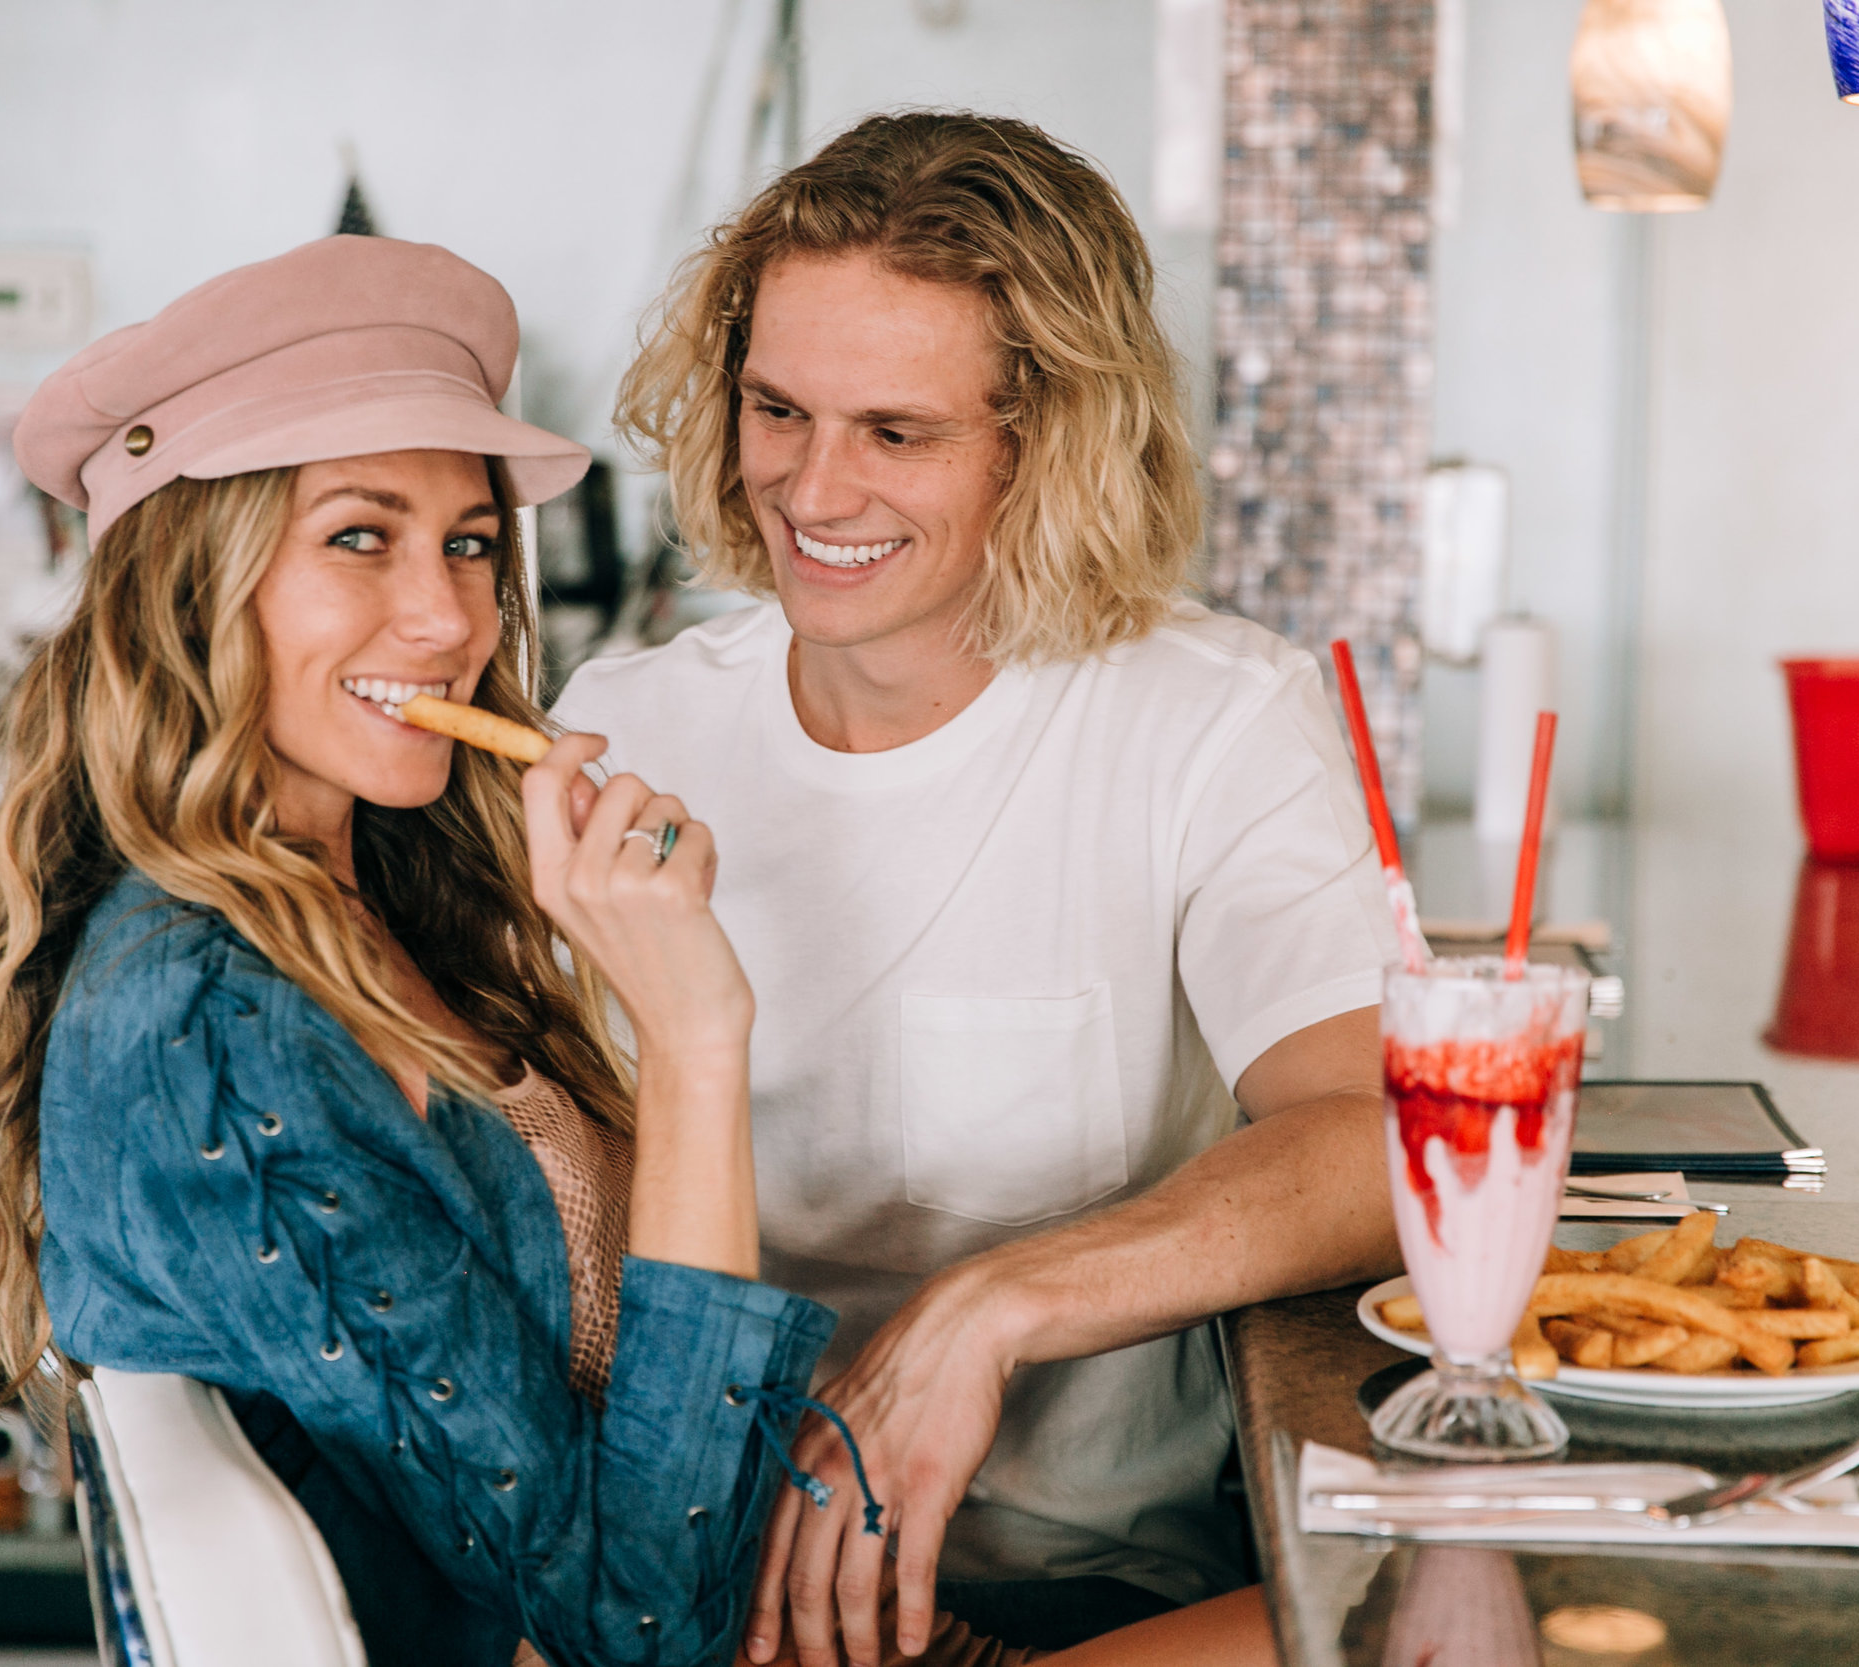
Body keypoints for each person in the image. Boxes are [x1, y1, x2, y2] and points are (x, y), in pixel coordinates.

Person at [0, 235, 1278, 1667]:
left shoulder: (385, 908)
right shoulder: (213, 1028)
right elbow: (632, 1635)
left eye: (468, 543)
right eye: (360, 536)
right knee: (1417, 1613)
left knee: (1403, 1583)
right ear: (191, 582)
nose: (449, 618)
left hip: (827, 1626)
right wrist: (699, 1036)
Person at [559, 112, 1402, 1667]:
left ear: (1046, 439)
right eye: (776, 409)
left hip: (1085, 1596)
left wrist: (987, 1313)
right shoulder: (626, 730)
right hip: (700, 1589)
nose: (813, 487)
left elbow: (1379, 1142)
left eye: (898, 431)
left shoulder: (1211, 719)